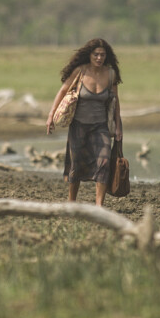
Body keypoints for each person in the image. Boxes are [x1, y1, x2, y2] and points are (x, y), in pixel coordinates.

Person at [46, 38, 123, 206]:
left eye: (102, 55)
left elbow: (116, 102)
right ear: (89, 55)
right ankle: (72, 203)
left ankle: (99, 207)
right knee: (76, 165)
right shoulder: (80, 72)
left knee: (103, 163)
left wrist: (118, 127)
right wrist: (51, 115)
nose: (99, 58)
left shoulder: (110, 74)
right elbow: (63, 90)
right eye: (96, 54)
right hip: (78, 126)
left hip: (101, 126)